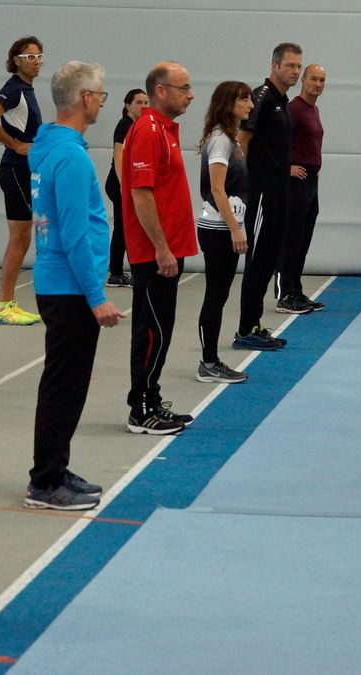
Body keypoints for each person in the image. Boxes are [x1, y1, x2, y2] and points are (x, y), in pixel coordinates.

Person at [24, 61, 125, 511]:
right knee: (64, 388)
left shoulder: (52, 147)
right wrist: (96, 296)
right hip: (68, 289)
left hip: (60, 283)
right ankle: (45, 482)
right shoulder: (70, 157)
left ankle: (55, 467)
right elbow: (74, 233)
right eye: (101, 95)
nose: (102, 102)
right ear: (85, 98)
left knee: (65, 386)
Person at [122, 61, 197, 434]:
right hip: (154, 253)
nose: (191, 95)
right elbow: (141, 192)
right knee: (151, 330)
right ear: (161, 90)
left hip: (169, 248)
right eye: (184, 88)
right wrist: (161, 249)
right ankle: (141, 409)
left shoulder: (165, 130)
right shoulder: (149, 131)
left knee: (162, 328)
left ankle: (151, 396)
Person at [234, 42, 307, 352]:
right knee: (258, 260)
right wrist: (244, 185)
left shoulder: (282, 101)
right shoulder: (261, 97)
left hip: (279, 192)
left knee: (268, 262)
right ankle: (245, 330)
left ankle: (254, 324)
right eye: (289, 65)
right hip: (261, 192)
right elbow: (242, 140)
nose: (295, 71)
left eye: (298, 66)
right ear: (275, 65)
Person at [0, 36, 44, 325]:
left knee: (23, 237)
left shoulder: (26, 89)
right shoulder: (13, 89)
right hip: (15, 170)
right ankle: (3, 305)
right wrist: (15, 145)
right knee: (20, 238)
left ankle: (6, 302)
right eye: (30, 57)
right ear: (16, 60)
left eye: (39, 56)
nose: (36, 62)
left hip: (26, 170)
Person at [195, 81, 253, 384]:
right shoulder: (220, 140)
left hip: (226, 227)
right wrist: (235, 229)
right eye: (244, 100)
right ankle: (208, 362)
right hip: (217, 230)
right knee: (215, 296)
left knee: (219, 295)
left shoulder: (232, 139)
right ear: (228, 103)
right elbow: (217, 189)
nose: (250, 105)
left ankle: (211, 360)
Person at [276, 63, 327, 312]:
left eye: (322, 80)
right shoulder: (293, 109)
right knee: (291, 239)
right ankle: (285, 293)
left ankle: (296, 290)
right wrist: (287, 168)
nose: (317, 84)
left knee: (303, 239)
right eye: (313, 79)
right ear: (303, 81)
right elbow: (274, 143)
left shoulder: (313, 110)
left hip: (311, 181)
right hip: (295, 182)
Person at [103, 88, 148, 288]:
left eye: (146, 103)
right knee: (125, 228)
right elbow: (119, 155)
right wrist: (124, 185)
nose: (143, 106)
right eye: (139, 102)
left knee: (124, 228)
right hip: (118, 184)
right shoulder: (125, 125)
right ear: (128, 105)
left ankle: (118, 273)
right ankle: (118, 273)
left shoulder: (138, 126)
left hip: (128, 185)